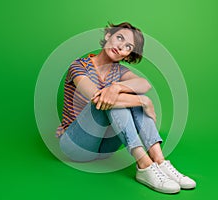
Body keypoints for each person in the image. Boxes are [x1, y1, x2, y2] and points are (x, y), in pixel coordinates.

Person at [56, 22, 196, 194]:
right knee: (111, 101)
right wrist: (143, 101)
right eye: (119, 38)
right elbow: (96, 98)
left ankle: (159, 160)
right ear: (108, 36)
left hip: (105, 149)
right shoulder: (79, 66)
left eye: (128, 46)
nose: (121, 46)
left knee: (120, 97)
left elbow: (144, 84)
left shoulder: (120, 71)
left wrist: (116, 88)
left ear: (128, 55)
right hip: (76, 146)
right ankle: (144, 165)